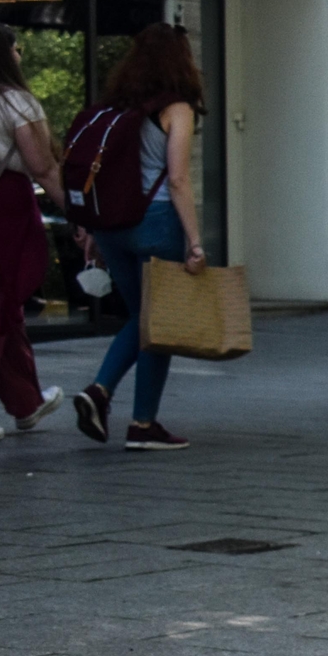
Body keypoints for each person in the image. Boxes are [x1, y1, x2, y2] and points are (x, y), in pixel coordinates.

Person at [73, 24, 208, 452]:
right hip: (156, 224)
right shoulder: (177, 108)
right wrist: (195, 240)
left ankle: (108, 398)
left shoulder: (115, 109)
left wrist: (94, 229)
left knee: (142, 317)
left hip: (113, 228)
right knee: (157, 322)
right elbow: (179, 179)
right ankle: (133, 415)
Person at [0, 24, 66, 436]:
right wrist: (78, 215)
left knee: (8, 309)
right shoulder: (16, 103)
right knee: (3, 299)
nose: (21, 54)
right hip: (5, 207)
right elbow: (43, 166)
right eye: (17, 48)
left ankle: (26, 401)